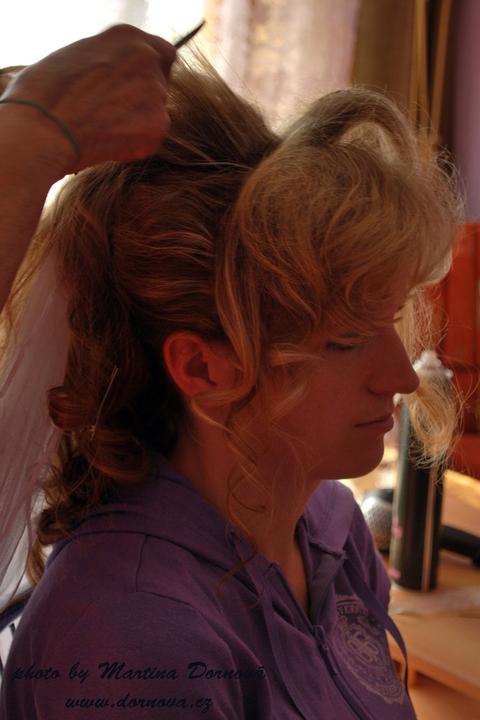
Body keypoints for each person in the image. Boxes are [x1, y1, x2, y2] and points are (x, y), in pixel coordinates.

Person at [0, 22, 463, 720]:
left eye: (390, 318)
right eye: (345, 341)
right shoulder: (129, 637)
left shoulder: (331, 524)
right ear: (203, 368)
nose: (400, 377)